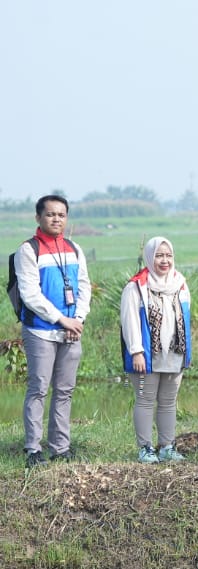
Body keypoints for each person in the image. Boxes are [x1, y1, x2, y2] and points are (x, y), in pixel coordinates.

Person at [15, 194, 91, 467]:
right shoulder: (28, 250)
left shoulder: (74, 248)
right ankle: (33, 450)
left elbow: (84, 286)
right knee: (38, 389)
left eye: (61, 214)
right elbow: (30, 295)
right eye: (50, 214)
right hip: (40, 331)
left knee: (65, 390)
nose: (56, 219)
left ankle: (61, 448)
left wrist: (77, 319)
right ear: (38, 217)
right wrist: (62, 320)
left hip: (71, 330)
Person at [119, 237, 192, 464]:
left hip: (174, 353)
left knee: (169, 401)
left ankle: (166, 447)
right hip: (147, 355)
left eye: (168, 255)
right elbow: (129, 321)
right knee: (145, 399)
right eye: (159, 256)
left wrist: (186, 353)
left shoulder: (180, 283)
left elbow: (185, 319)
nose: (164, 260)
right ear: (150, 257)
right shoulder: (136, 287)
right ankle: (145, 448)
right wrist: (136, 351)